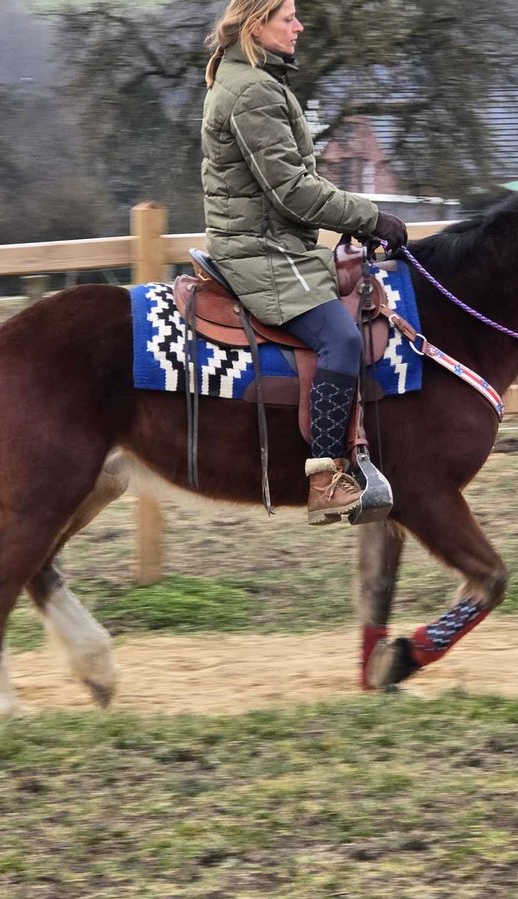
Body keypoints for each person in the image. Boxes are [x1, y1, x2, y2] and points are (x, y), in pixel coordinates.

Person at [201, 0, 408, 525]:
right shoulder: (251, 91)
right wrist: (369, 216)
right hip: (262, 250)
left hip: (275, 241)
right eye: (287, 17)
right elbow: (292, 191)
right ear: (256, 25)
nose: (299, 25)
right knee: (339, 339)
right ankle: (323, 478)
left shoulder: (252, 81)